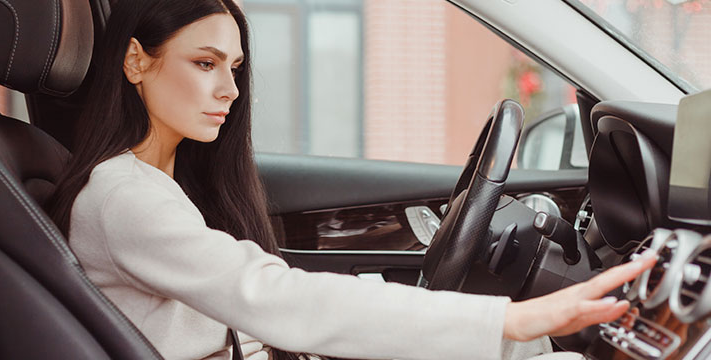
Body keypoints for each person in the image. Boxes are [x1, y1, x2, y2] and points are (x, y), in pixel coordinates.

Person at [47, 0, 657, 359]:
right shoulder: (123, 197)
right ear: (135, 61)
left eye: (233, 67)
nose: (230, 89)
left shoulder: (155, 185)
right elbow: (273, 296)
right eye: (204, 65)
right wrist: (510, 319)